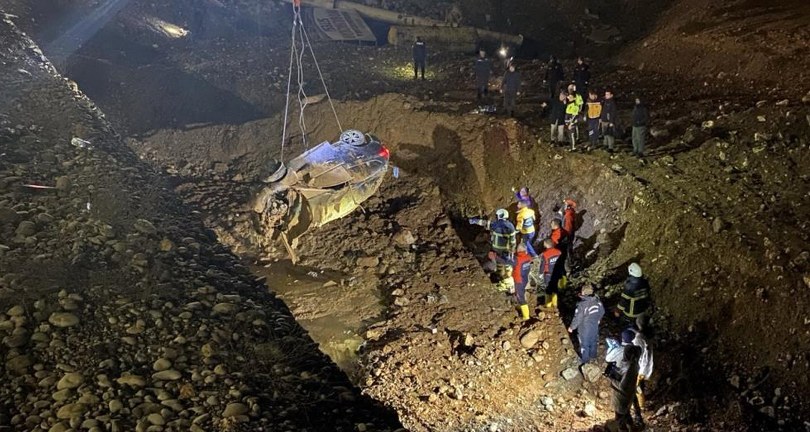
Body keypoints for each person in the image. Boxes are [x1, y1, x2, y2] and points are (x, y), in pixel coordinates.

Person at [469, 209, 517, 291]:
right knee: (506, 265)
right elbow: (513, 241)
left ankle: (504, 280)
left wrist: (474, 221)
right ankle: (507, 281)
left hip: (497, 248)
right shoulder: (510, 226)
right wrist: (512, 251)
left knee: (500, 264)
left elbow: (485, 223)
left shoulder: (496, 225)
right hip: (506, 249)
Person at [567, 284, 604, 364]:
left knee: (584, 344)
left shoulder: (581, 305)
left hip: (584, 328)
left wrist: (572, 327)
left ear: (583, 292)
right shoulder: (597, 301)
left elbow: (578, 318)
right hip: (594, 326)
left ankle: (585, 360)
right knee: (594, 341)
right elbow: (602, 311)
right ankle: (593, 356)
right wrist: (598, 319)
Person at [608, 344, 642, 432]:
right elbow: (623, 376)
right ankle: (633, 428)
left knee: (620, 420)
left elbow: (622, 386)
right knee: (626, 414)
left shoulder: (630, 368)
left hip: (621, 398)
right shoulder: (632, 364)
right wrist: (615, 371)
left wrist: (611, 378)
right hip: (627, 397)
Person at [615, 263, 652, 331]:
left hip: (631, 313)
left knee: (626, 327)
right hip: (642, 310)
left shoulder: (630, 287)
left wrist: (618, 310)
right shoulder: (645, 282)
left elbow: (624, 301)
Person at [536, 238, 562, 308]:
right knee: (555, 288)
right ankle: (555, 303)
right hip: (557, 273)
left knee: (548, 289)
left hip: (548, 274)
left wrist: (540, 274)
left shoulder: (545, 254)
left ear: (546, 245)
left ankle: (548, 304)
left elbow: (543, 265)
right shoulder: (559, 252)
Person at [511, 243, 533, 320]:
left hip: (518, 280)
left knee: (520, 297)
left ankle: (526, 316)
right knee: (522, 292)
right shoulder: (528, 257)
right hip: (525, 279)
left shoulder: (516, 259)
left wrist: (495, 257)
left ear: (518, 250)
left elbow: (506, 261)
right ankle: (521, 302)